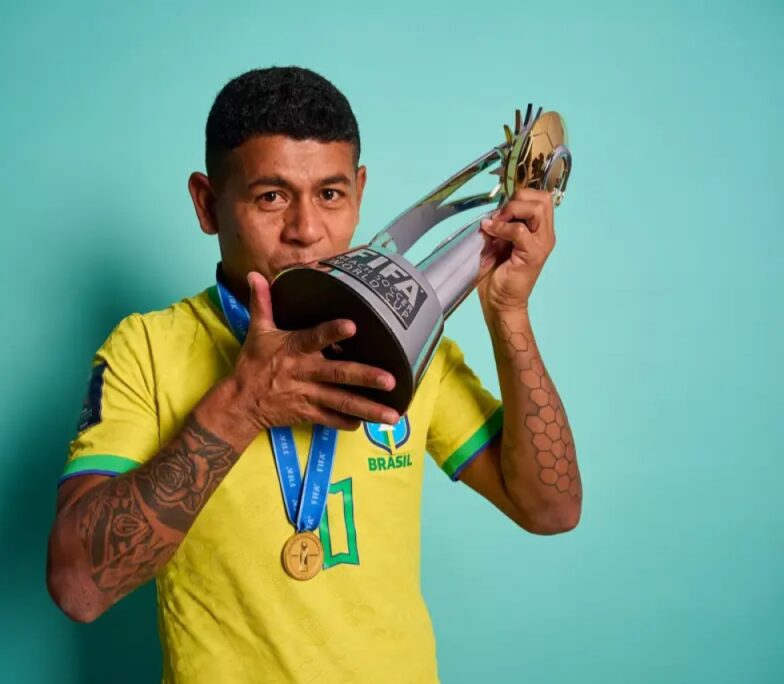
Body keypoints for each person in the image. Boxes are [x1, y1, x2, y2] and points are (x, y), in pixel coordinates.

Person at [46, 66, 581, 683]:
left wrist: (508, 312)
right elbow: (78, 589)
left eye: (329, 195)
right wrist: (242, 407)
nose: (305, 231)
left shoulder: (409, 347)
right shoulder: (147, 348)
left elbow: (550, 510)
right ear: (206, 203)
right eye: (271, 196)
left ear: (358, 190)